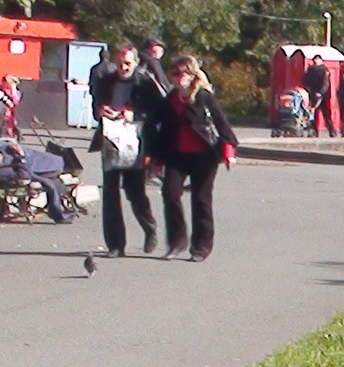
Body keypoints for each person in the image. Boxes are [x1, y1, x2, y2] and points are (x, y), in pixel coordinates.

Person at [147, 55, 237, 261]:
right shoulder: (170, 99)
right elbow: (154, 125)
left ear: (193, 74)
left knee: (201, 199)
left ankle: (201, 247)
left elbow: (221, 124)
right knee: (170, 194)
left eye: (184, 73)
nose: (179, 77)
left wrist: (228, 151)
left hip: (204, 155)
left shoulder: (204, 96)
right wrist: (153, 156)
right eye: (175, 73)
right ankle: (177, 242)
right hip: (176, 155)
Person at [89, 44, 159, 258]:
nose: (123, 67)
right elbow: (96, 107)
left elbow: (156, 113)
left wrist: (134, 114)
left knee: (135, 192)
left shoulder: (145, 84)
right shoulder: (106, 82)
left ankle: (150, 228)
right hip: (111, 141)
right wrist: (101, 110)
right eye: (120, 63)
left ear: (135, 63)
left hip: (135, 143)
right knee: (110, 193)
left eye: (128, 63)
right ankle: (115, 245)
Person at [0, 137, 72, 222]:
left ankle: (60, 195)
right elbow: (24, 175)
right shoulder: (0, 171)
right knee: (55, 166)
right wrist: (21, 158)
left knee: (55, 160)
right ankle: (58, 209)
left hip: (32, 157)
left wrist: (12, 146)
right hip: (31, 166)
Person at [301, 58, 336, 137]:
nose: (316, 61)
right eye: (315, 59)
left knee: (327, 115)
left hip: (324, 96)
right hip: (313, 94)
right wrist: (309, 90)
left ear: (321, 61)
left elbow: (325, 83)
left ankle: (332, 131)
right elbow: (305, 81)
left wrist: (320, 92)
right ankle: (314, 132)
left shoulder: (324, 70)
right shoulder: (310, 70)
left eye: (318, 59)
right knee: (314, 115)